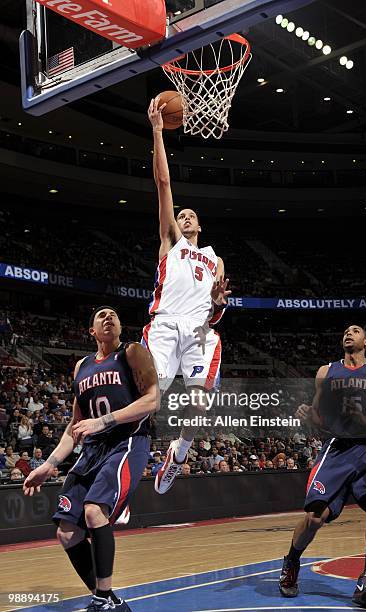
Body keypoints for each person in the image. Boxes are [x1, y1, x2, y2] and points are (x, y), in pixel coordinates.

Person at [23, 306, 159, 612]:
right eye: (101, 315)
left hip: (126, 442)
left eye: (113, 315)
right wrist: (49, 464)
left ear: (121, 327)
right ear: (92, 332)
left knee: (95, 511)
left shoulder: (132, 352)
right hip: (93, 449)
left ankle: (101, 599)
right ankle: (109, 601)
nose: (108, 317)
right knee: (66, 532)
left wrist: (105, 421)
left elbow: (153, 399)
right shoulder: (81, 367)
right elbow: (75, 427)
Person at [279, 324, 366, 607]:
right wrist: (310, 416)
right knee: (315, 518)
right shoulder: (326, 372)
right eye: (346, 331)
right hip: (338, 449)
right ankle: (292, 562)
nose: (349, 333)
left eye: (356, 330)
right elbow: (321, 420)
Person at [145, 97, 231, 494]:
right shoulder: (171, 243)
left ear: (200, 224)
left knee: (199, 406)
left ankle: (178, 455)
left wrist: (217, 304)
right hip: (165, 326)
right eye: (180, 215)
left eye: (190, 215)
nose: (185, 216)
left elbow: (215, 317)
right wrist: (159, 132)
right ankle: (121, 467)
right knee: (148, 401)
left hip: (199, 333)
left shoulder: (216, 260)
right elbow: (164, 183)